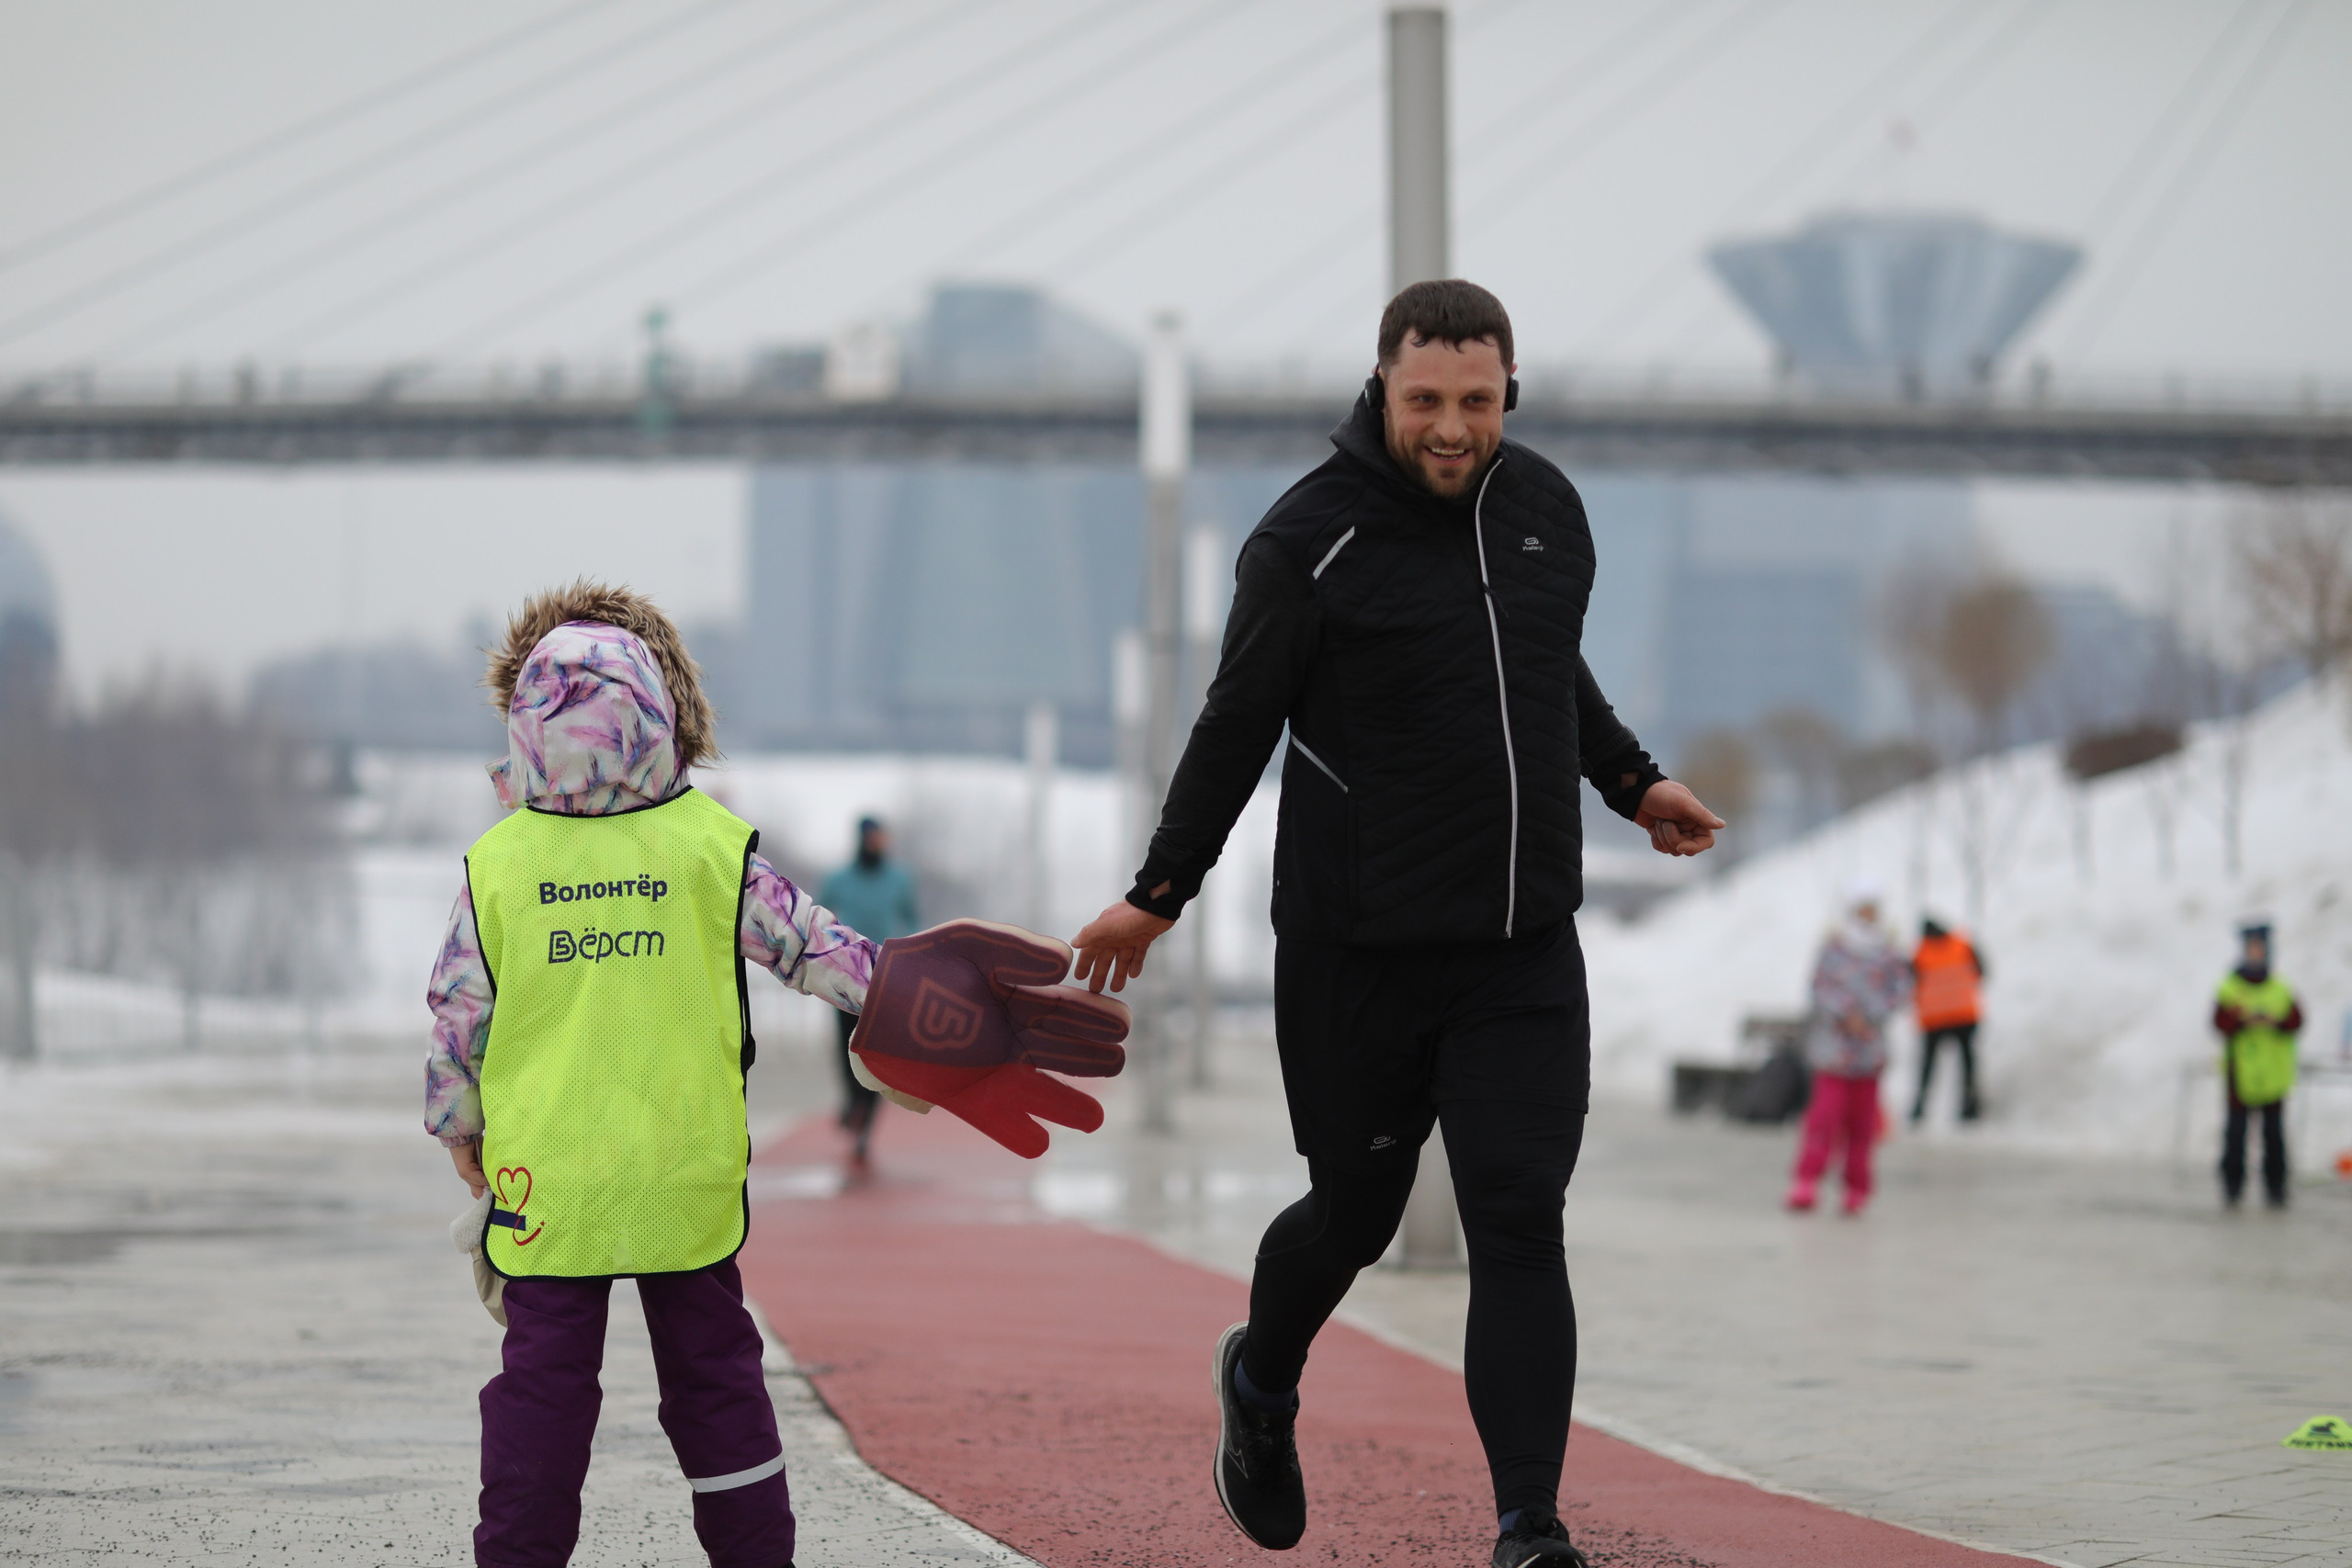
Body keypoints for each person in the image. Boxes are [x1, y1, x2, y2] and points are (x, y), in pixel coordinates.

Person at [1069, 280, 1723, 1568]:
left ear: (1508, 393)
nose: (1450, 426)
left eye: (1476, 401)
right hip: (1357, 956)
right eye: (1425, 399)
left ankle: (1529, 1525)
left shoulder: (1545, 513)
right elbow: (1232, 729)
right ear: (1383, 389)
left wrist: (1633, 779)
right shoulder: (1304, 544)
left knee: (1518, 1215)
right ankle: (1260, 1381)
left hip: (1521, 948)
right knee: (1353, 1212)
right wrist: (1158, 896)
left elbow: (1544, 668)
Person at [425, 581, 1125, 1568]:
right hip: (686, 1175)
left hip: (550, 1182)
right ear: (660, 717)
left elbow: (459, 1013)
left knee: (542, 1389)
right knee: (715, 1385)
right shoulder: (711, 848)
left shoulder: (496, 868)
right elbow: (812, 945)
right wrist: (907, 994)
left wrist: (461, 1131)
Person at [1787, 884, 1909, 1216]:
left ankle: (1857, 1187)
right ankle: (1806, 1181)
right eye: (1862, 909)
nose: (1867, 915)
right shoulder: (1834, 948)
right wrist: (1846, 1013)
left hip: (1868, 1055)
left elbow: (1899, 993)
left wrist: (1870, 1016)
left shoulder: (1890, 952)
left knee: (1862, 1126)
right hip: (1833, 1053)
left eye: (1872, 909)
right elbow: (1819, 988)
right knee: (1824, 1120)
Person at [820, 817, 921, 1165]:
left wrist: (915, 959)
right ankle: (853, 1101)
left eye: (883, 837)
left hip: (885, 977)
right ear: (861, 840)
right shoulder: (839, 879)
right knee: (846, 1046)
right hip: (845, 974)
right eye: (873, 838)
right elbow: (819, 914)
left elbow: (912, 921)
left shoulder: (899, 880)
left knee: (876, 1052)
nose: (879, 843)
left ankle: (864, 1125)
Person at [2214, 921, 2301, 1209]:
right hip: (2240, 1074)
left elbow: (2296, 1020)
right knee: (2236, 1134)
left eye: (2259, 948)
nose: (2255, 953)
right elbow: (2219, 1022)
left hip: (2273, 1074)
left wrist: (2274, 1022)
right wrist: (2241, 1021)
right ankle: (2232, 1187)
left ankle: (2276, 1187)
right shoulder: (2230, 986)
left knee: (2273, 1135)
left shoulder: (2279, 986)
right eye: (2250, 948)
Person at [1908, 916, 1984, 1123]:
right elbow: (1981, 972)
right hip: (1964, 1015)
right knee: (1968, 1065)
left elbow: (1909, 982)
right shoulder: (1962, 944)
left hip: (1934, 1019)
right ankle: (1971, 1107)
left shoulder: (1920, 953)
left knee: (1928, 1067)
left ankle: (1919, 1108)